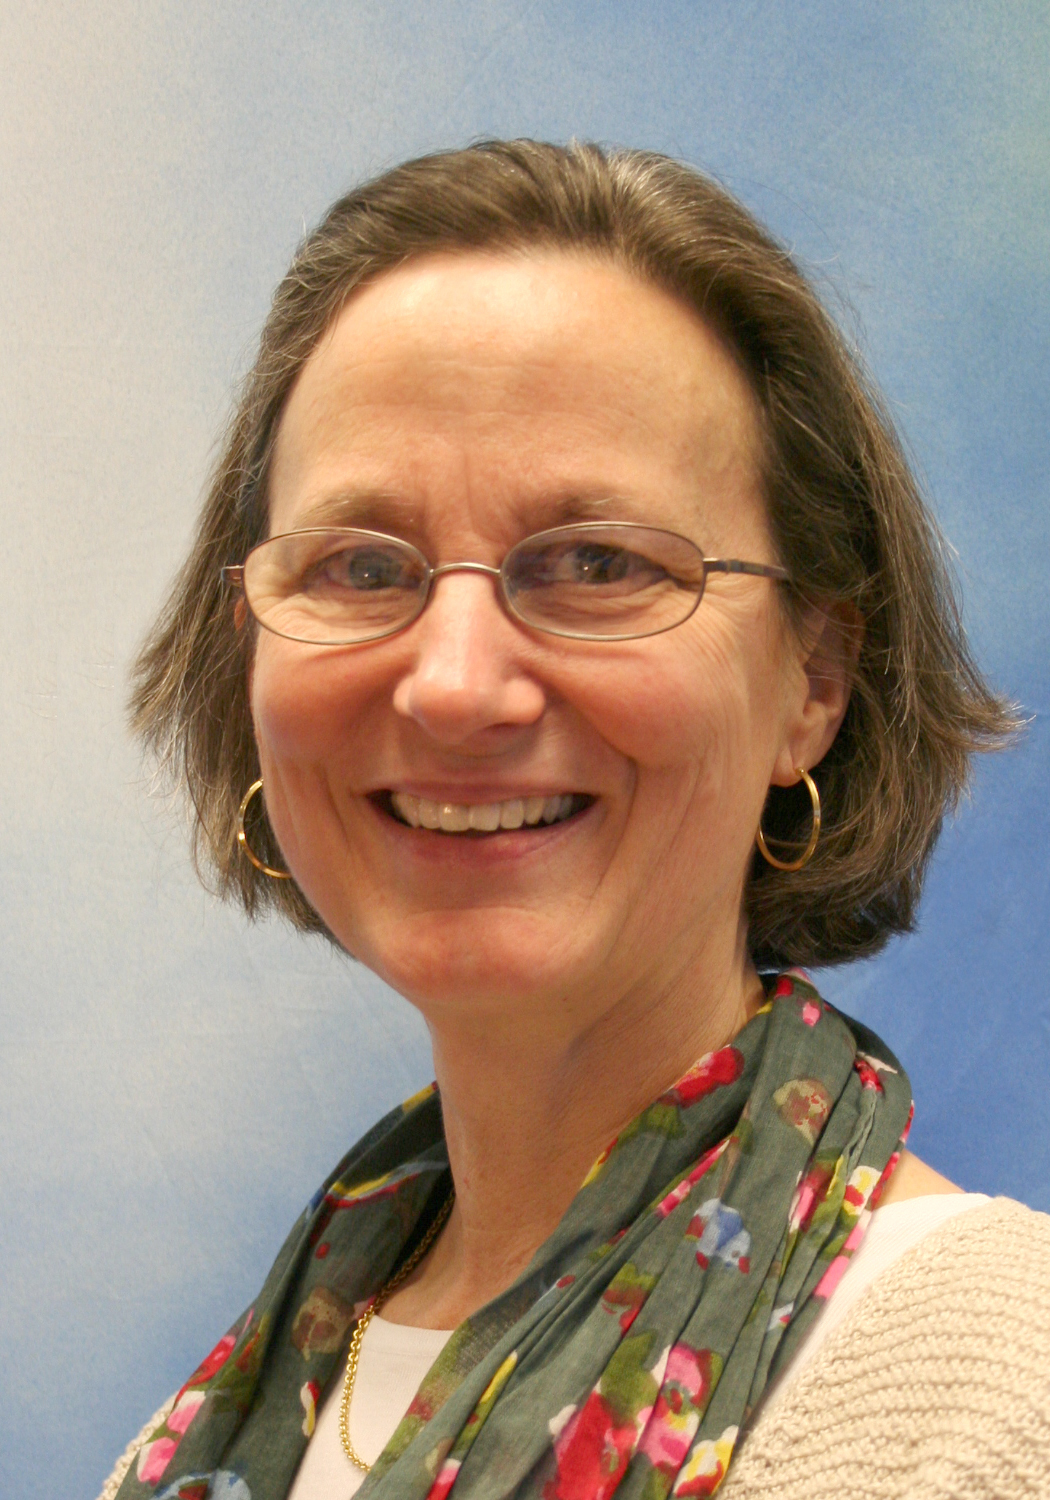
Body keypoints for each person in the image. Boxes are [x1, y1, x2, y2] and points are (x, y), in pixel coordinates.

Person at [102, 141, 1050, 1500]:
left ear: (812, 683)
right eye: (361, 566)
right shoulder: (222, 1421)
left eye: (596, 562)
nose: (452, 684)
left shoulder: (993, 1409)